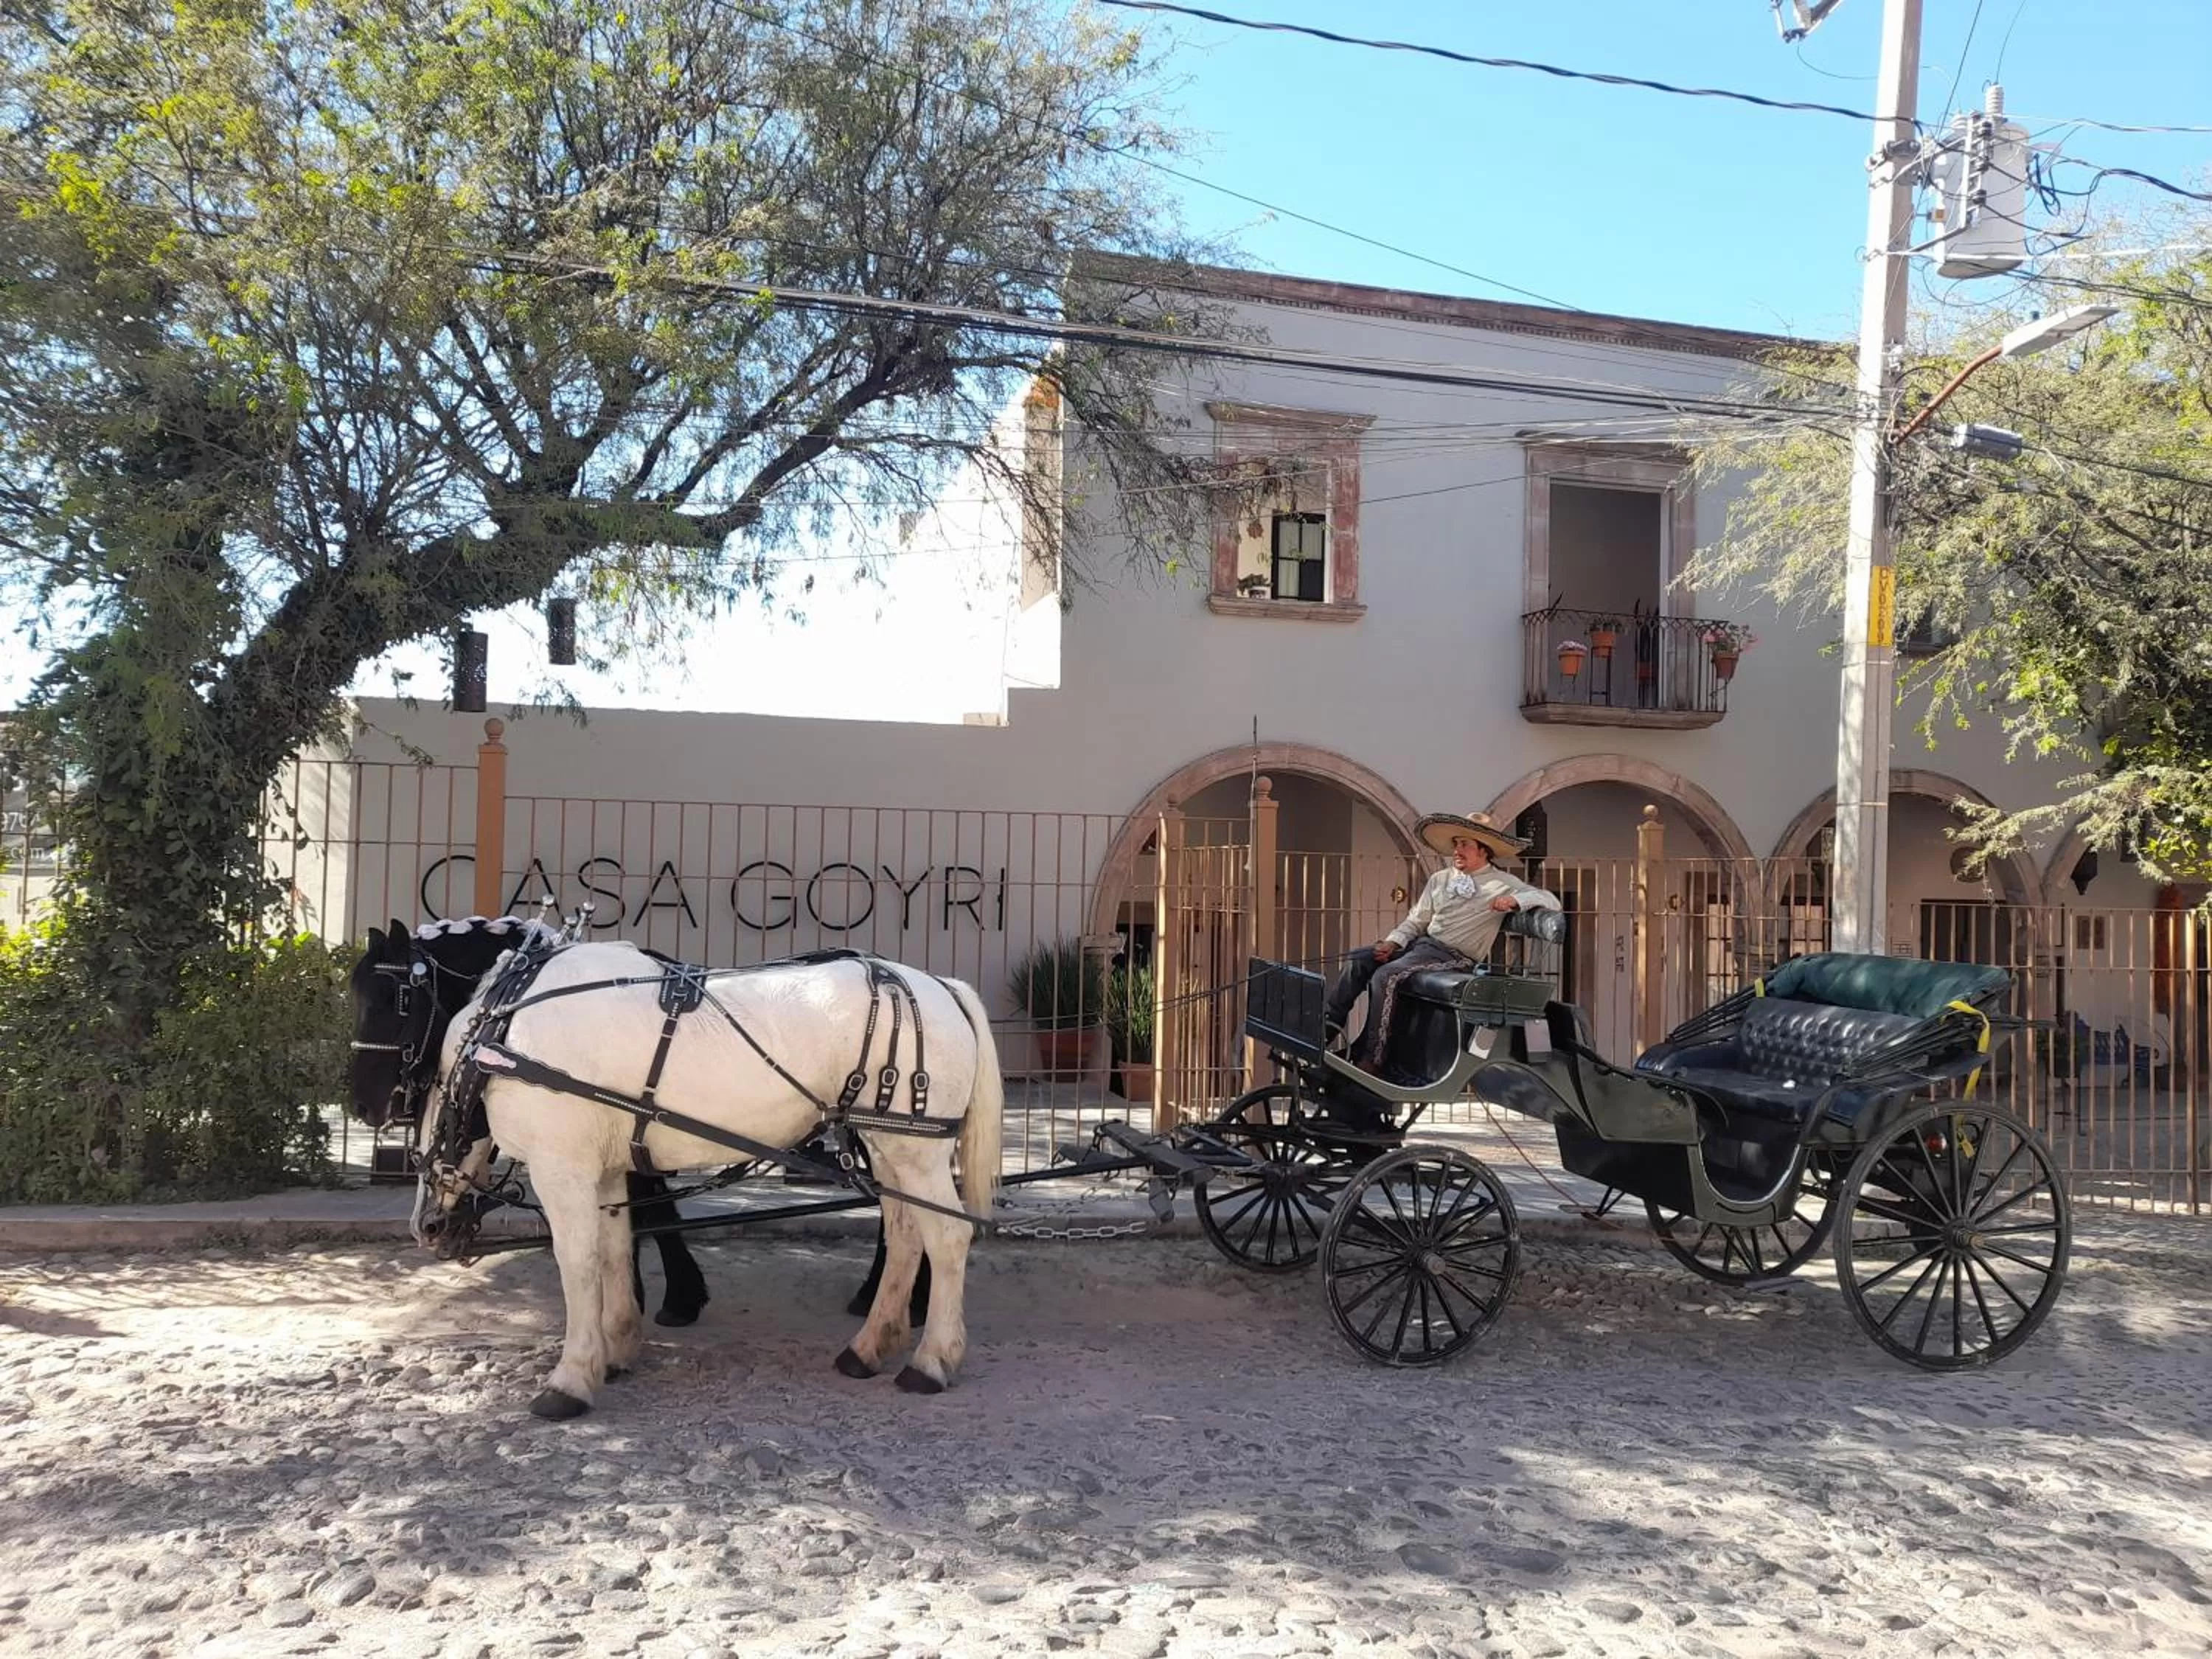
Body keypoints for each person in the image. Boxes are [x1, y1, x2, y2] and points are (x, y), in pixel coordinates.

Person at [1324, 810, 1562, 1076]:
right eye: (1456, 844)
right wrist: (1392, 942)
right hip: (1422, 948)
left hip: (1455, 957)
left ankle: (1374, 1059)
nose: (1456, 850)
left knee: (1387, 976)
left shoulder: (1503, 883)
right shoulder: (1440, 879)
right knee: (1360, 959)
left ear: (1483, 851)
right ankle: (1327, 1030)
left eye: (1464, 845)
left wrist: (1515, 901)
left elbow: (1552, 901)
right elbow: (1416, 920)